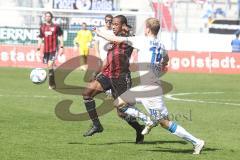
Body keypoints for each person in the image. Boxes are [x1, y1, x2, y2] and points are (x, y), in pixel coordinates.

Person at [95, 17, 205, 154]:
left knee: (165, 123)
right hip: (147, 86)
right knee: (118, 103)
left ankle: (197, 142)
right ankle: (147, 120)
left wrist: (99, 33)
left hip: (149, 91)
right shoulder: (161, 45)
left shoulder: (142, 40)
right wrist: (163, 64)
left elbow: (117, 39)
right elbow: (166, 59)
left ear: (147, 29)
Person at [82, 15, 153, 144]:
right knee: (87, 94)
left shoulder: (130, 39)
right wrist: (96, 72)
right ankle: (97, 125)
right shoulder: (113, 40)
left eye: (116, 24)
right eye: (112, 24)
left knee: (122, 113)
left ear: (123, 26)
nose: (113, 26)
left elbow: (144, 44)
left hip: (121, 78)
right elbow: (107, 60)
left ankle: (139, 128)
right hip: (108, 75)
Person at [37, 11, 64, 89]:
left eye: (49, 16)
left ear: (51, 17)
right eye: (46, 16)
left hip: (54, 49)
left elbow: (61, 36)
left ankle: (51, 84)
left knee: (50, 65)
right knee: (49, 67)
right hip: (46, 50)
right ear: (44, 17)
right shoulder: (42, 27)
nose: (47, 17)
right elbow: (40, 37)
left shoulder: (56, 26)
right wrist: (38, 48)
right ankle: (53, 83)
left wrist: (62, 47)